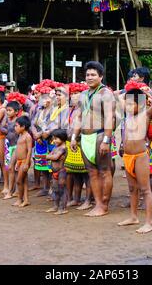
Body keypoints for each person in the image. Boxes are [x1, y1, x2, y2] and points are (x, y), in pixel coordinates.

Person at [71, 61, 116, 217]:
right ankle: (97, 204)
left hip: (99, 135)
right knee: (92, 172)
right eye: (87, 75)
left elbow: (110, 117)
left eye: (93, 75)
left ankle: (104, 205)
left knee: (104, 171)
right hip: (85, 137)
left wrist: (106, 140)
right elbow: (78, 116)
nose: (89, 77)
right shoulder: (83, 94)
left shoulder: (106, 94)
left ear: (101, 76)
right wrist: (73, 137)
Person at [118, 85, 152, 234]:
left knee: (145, 190)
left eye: (131, 104)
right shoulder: (128, 115)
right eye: (127, 103)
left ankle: (148, 223)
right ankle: (133, 217)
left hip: (140, 156)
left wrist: (147, 96)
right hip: (128, 156)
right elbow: (118, 98)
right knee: (132, 189)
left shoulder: (145, 114)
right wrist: (126, 92)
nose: (128, 106)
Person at [65, 82, 92, 210]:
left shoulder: (86, 109)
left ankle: (88, 200)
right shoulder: (71, 110)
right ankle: (76, 199)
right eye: (72, 93)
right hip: (72, 144)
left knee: (87, 174)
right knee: (75, 174)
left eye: (76, 93)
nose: (73, 96)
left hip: (83, 143)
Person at [30, 83, 54, 197]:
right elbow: (33, 123)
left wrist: (39, 135)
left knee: (52, 166)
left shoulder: (55, 111)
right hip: (40, 141)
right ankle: (45, 187)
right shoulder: (40, 110)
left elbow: (52, 127)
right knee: (43, 166)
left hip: (50, 141)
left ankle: (53, 188)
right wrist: (36, 134)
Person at [46, 129, 69, 215]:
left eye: (56, 139)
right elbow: (52, 155)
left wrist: (48, 156)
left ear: (62, 138)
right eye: (53, 139)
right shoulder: (56, 147)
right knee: (55, 189)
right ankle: (55, 206)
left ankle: (62, 208)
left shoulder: (63, 148)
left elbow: (55, 157)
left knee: (61, 190)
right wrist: (49, 156)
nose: (54, 141)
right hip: (54, 172)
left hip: (61, 172)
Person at [12, 116, 33, 207]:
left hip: (25, 161)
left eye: (16, 126)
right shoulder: (20, 135)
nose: (15, 128)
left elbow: (29, 150)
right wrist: (17, 161)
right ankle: (26, 200)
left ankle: (20, 199)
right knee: (24, 181)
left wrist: (26, 163)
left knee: (19, 181)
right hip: (20, 161)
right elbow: (18, 149)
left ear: (23, 126)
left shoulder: (28, 136)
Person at [3, 100, 21, 200]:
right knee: (10, 169)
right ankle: (11, 190)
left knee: (16, 169)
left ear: (16, 111)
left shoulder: (18, 121)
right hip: (9, 147)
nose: (8, 112)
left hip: (17, 147)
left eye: (10, 110)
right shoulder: (7, 120)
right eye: (7, 110)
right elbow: (4, 129)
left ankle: (15, 190)